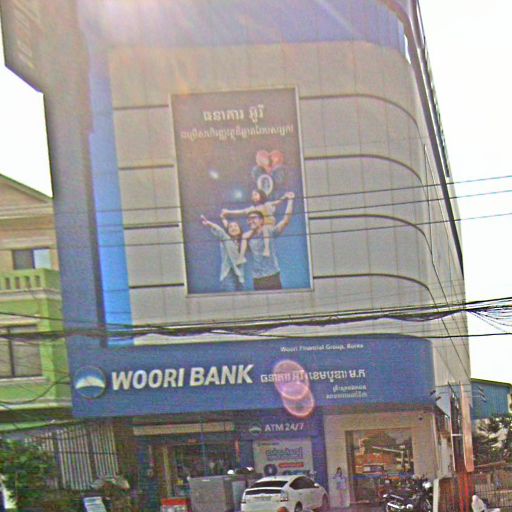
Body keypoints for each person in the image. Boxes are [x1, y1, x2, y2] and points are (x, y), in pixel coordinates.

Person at [244, 191, 295, 291]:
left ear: (261, 220)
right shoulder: (247, 237)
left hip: (272, 276)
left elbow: (285, 221)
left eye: (254, 218)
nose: (251, 221)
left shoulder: (269, 231)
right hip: (257, 278)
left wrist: (290, 201)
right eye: (249, 219)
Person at [222, 189, 288, 262]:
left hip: (268, 226)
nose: (254, 197)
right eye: (252, 195)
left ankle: (266, 249)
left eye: (256, 194)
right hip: (257, 229)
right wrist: (228, 211)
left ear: (261, 195)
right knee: (245, 236)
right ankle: (241, 257)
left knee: (265, 228)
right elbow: (241, 211)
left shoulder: (266, 205)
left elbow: (278, 202)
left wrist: (284, 197)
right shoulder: (252, 209)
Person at [200, 214, 246, 292]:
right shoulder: (226, 239)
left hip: (240, 277)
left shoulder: (242, 242)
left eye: (235, 226)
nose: (233, 228)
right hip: (228, 276)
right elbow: (220, 231)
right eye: (230, 227)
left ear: (240, 229)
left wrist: (224, 219)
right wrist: (209, 223)